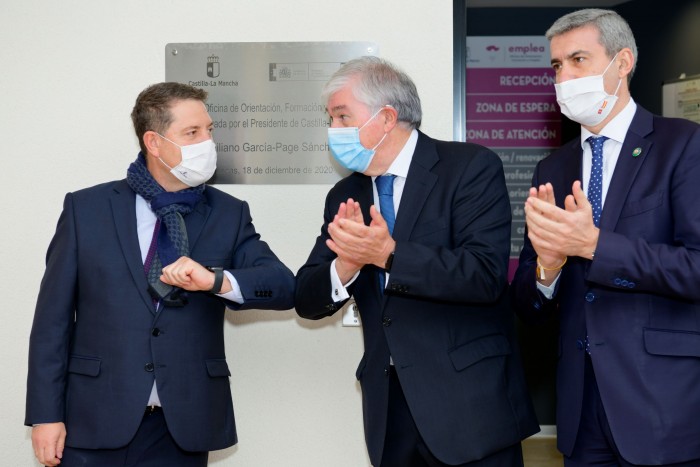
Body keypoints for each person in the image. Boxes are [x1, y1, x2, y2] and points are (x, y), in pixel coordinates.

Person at [25, 82, 296, 466]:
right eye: (192, 133)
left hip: (182, 425)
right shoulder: (86, 209)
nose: (207, 142)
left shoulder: (227, 213)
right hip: (94, 420)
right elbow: (52, 323)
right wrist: (45, 415)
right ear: (154, 142)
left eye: (209, 130)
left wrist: (216, 281)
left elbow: (283, 285)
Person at [295, 56, 539, 467]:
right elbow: (307, 298)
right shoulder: (345, 195)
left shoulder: (470, 168)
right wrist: (347, 266)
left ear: (386, 117)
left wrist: (388, 254)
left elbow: (484, 276)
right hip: (390, 410)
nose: (333, 130)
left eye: (341, 116)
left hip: (470, 407)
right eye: (330, 118)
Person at [511, 9, 700, 467]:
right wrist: (547, 270)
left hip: (661, 405)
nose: (565, 76)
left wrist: (596, 246)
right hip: (581, 408)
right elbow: (528, 305)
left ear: (623, 62)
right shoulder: (552, 168)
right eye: (557, 66)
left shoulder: (683, 145)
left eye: (578, 59)